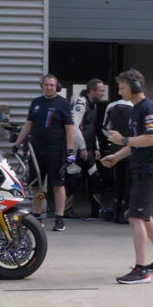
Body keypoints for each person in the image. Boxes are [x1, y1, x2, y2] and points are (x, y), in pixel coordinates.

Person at [101, 69, 153, 284]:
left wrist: (123, 140)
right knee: (145, 215)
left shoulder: (147, 109)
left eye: (122, 87)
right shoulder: (135, 110)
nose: (119, 91)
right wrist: (116, 156)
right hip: (142, 168)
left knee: (135, 217)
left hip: (150, 170)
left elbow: (151, 139)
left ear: (135, 87)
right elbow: (136, 143)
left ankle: (141, 270)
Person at [12, 74, 76, 232]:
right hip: (36, 150)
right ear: (42, 86)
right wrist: (17, 143)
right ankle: (37, 217)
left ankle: (59, 218)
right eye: (46, 85)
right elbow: (28, 124)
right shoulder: (36, 103)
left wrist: (69, 150)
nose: (49, 87)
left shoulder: (63, 104)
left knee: (57, 185)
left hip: (56, 150)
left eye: (52, 85)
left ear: (56, 87)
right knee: (36, 185)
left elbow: (69, 128)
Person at [67, 78, 107, 219]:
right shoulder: (80, 102)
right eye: (101, 90)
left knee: (96, 179)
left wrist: (96, 147)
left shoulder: (94, 106)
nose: (103, 93)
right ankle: (67, 210)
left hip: (89, 149)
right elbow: (74, 126)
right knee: (73, 179)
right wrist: (82, 147)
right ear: (92, 90)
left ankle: (96, 211)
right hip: (78, 149)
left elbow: (92, 128)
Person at [100, 95, 133, 224]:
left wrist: (112, 138)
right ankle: (125, 213)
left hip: (115, 147)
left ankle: (116, 211)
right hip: (131, 147)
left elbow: (104, 127)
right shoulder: (136, 106)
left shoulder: (111, 106)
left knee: (118, 181)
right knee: (129, 182)